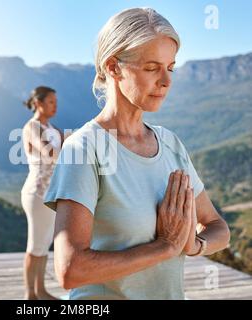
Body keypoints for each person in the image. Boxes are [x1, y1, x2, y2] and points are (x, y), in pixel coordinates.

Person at [43, 8, 230, 300]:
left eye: (171, 67)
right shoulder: (83, 149)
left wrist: (193, 245)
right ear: (114, 67)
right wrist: (164, 246)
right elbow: (70, 269)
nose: (167, 81)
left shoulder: (171, 145)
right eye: (152, 67)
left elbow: (218, 227)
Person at [21, 86, 65, 300]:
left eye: (56, 102)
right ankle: (30, 295)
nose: (55, 106)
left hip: (52, 193)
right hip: (37, 193)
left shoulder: (53, 128)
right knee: (35, 243)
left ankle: (41, 291)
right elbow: (50, 153)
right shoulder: (32, 127)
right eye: (50, 102)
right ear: (38, 103)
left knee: (45, 243)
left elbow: (68, 149)